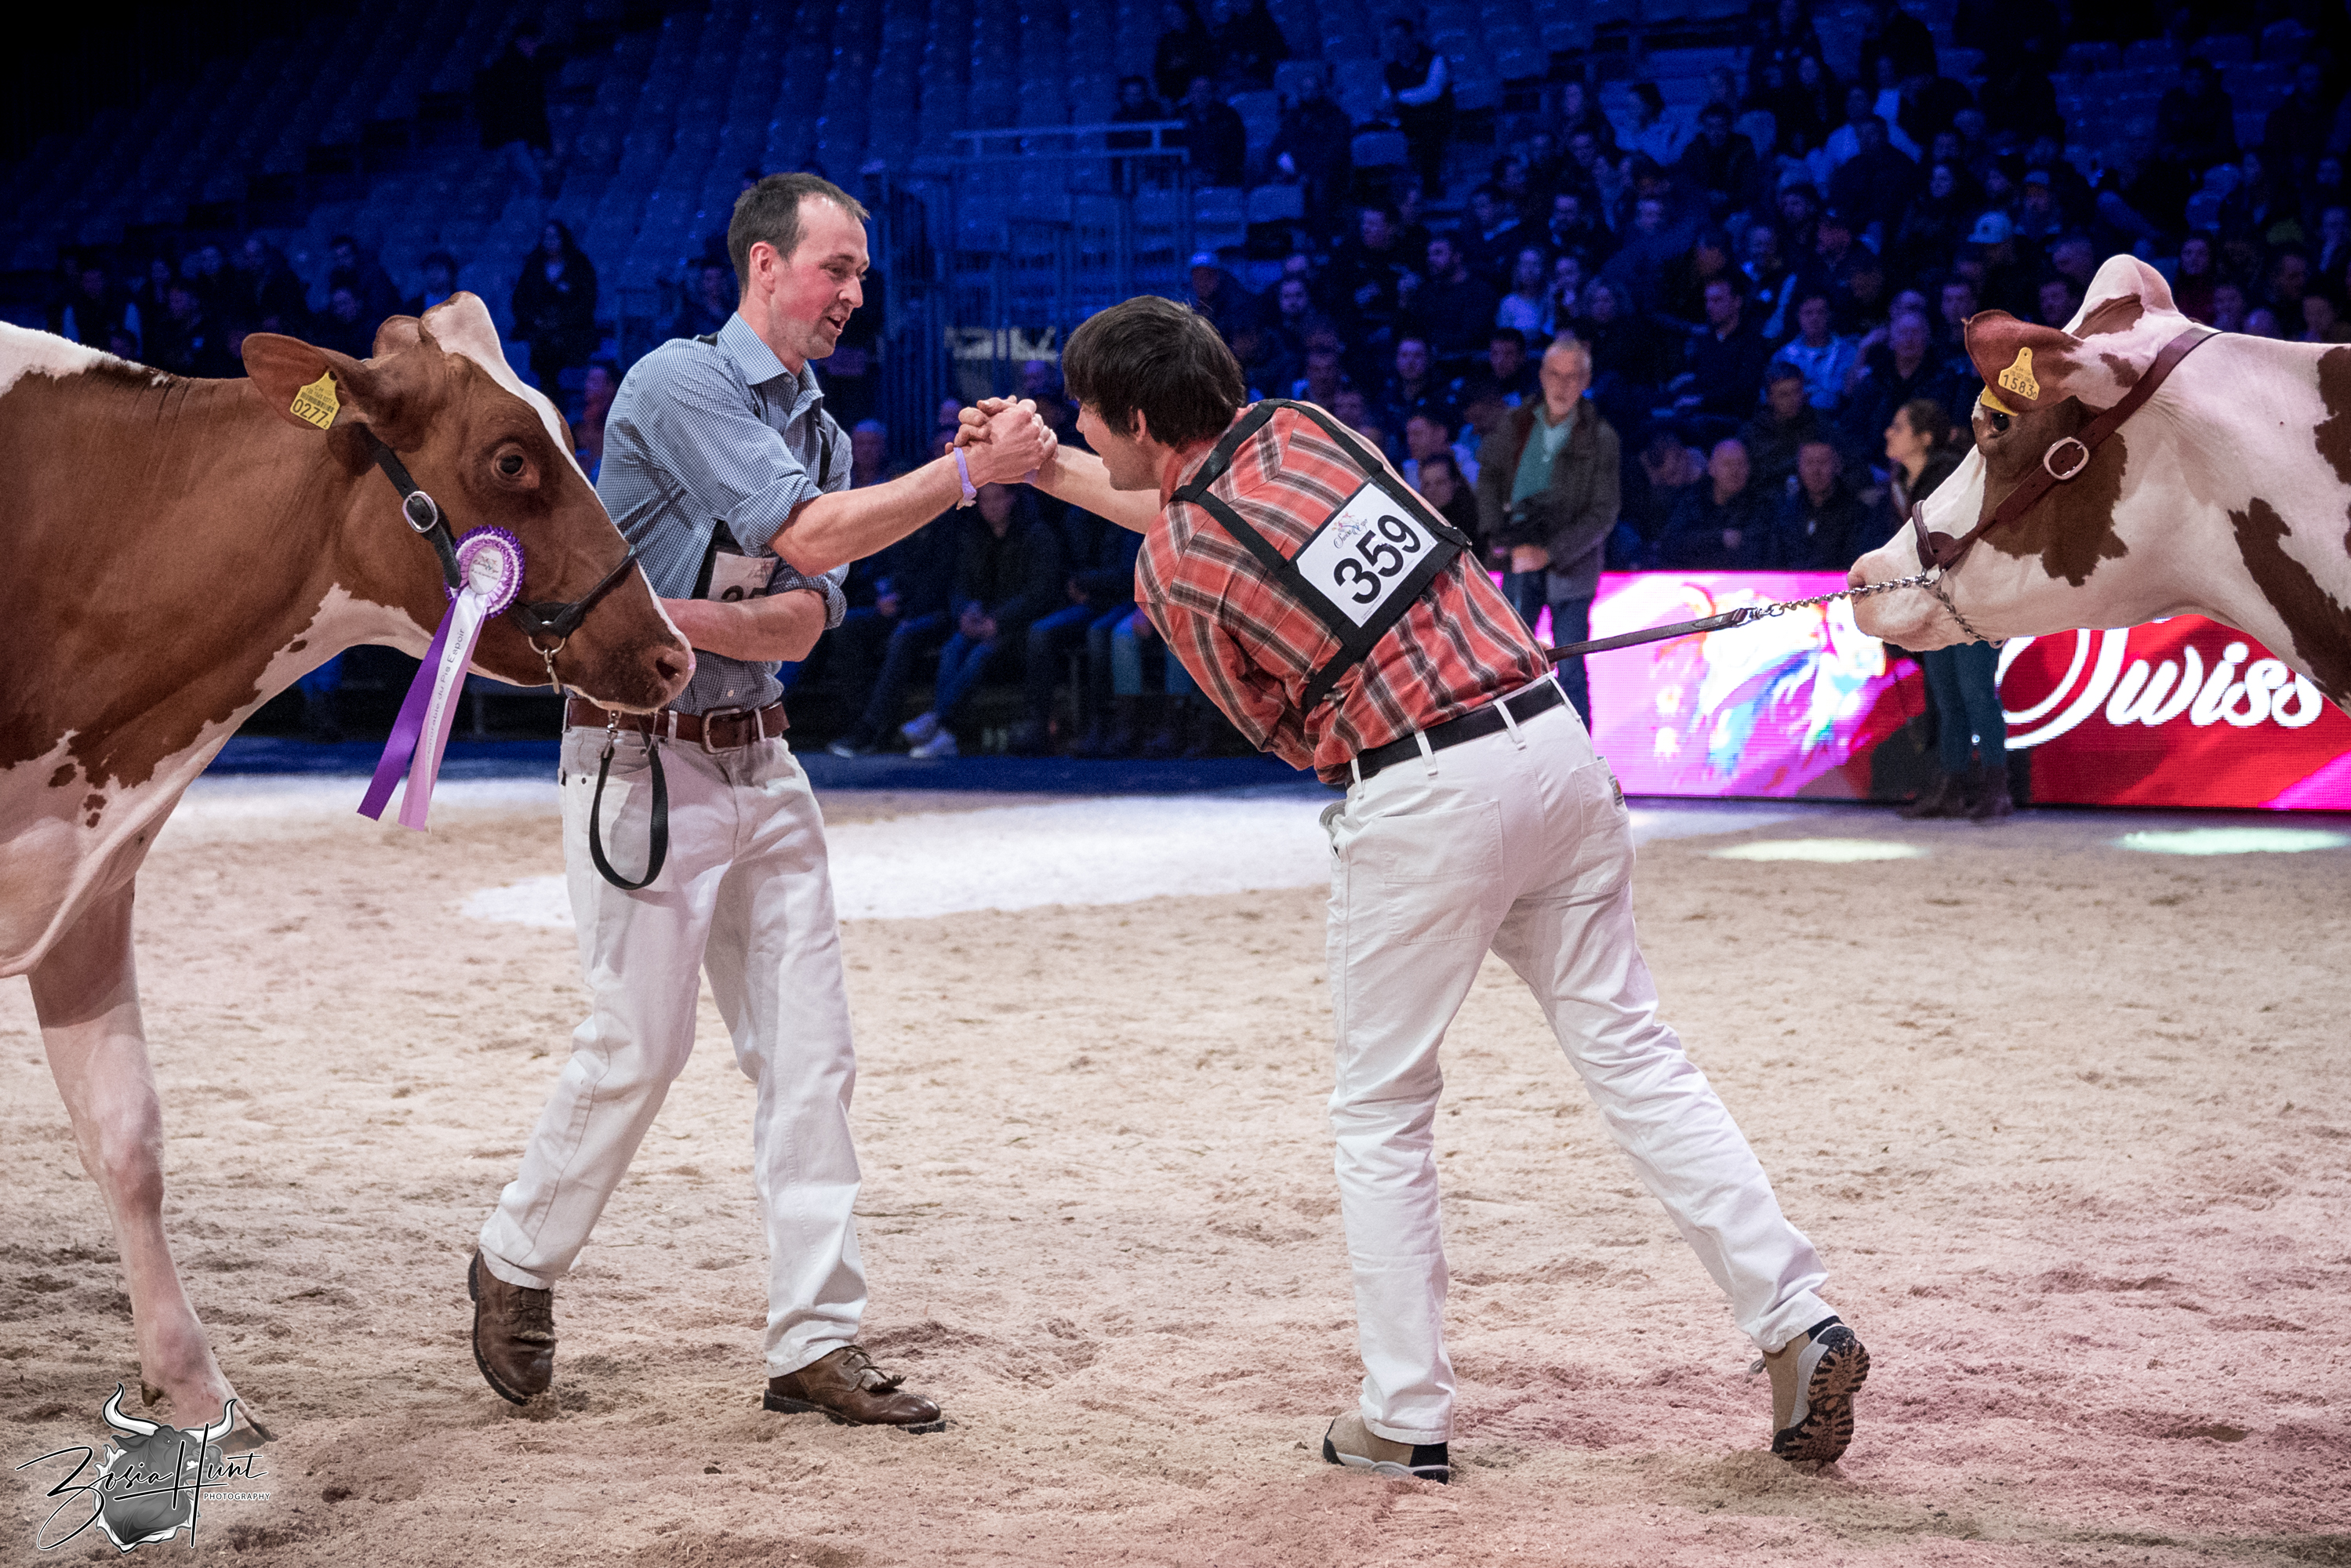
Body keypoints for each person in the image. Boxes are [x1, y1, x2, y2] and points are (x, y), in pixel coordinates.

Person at [965, 294, 1865, 1483]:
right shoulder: (1306, 428)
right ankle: (1795, 1316)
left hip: (1422, 791)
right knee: (1637, 1057)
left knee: (1381, 1109)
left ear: (1133, 419)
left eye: (1087, 414)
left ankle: (1404, 1411)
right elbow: (1194, 500)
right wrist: (1045, 468)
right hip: (1550, 745)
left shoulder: (1168, 567)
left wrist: (1045, 474)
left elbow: (1271, 722)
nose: (1080, 426)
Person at [470, 172, 1049, 1428]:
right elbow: (807, 543)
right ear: (764, 266)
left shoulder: (823, 433)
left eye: (860, 275)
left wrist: (673, 618)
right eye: (836, 269)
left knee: (811, 1059)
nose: (853, 295)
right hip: (639, 756)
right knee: (639, 1044)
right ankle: (514, 1257)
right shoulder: (681, 383)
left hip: (762, 758)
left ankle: (815, 1341)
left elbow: (802, 620)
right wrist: (962, 472)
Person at [1474, 338, 1618, 723]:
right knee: (1511, 665)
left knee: (1570, 666)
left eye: (1572, 377)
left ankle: (1580, 748)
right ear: (1542, 375)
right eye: (1555, 374)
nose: (1562, 385)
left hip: (1571, 566)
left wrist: (1551, 552)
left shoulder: (1600, 437)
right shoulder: (1516, 423)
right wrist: (1497, 535)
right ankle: (1512, 746)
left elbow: (1603, 512)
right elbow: (1488, 477)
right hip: (1519, 554)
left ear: (1585, 380)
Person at [1880, 398, 2005, 822]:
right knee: (1947, 698)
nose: (1888, 433)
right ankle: (1952, 785)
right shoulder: (1901, 484)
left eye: (1899, 427)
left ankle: (1996, 786)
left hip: (1972, 599)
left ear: (1925, 438)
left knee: (1975, 694)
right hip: (1933, 603)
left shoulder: (1950, 477)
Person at [896, 482, 1066, 757]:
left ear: (1012, 498)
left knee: (979, 655)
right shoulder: (975, 535)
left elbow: (1040, 594)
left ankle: (941, 723)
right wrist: (966, 612)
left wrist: (998, 621)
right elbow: (960, 585)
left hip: (1019, 629)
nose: (991, 507)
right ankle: (943, 730)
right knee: (953, 648)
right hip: (983, 623)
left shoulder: (1037, 535)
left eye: (998, 499)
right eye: (985, 501)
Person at [510, 220, 599, 394]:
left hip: (571, 329)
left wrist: (561, 321)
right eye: (547, 237)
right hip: (537, 329)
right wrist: (535, 320)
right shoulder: (533, 266)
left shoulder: (580, 265)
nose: (551, 242)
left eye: (555, 237)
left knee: (556, 350)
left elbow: (587, 302)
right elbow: (519, 301)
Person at [1657, 438, 1766, 568]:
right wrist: (1719, 539)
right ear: (1711, 468)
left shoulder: (1759, 505)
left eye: (1741, 464)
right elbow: (1670, 543)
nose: (1735, 471)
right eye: (1727, 464)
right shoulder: (1691, 499)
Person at [1766, 437, 1870, 569]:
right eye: (1809, 463)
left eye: (1823, 462)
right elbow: (1774, 563)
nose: (1816, 471)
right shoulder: (1784, 512)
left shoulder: (1857, 513)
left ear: (1837, 466)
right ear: (1799, 467)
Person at [1379, 17, 1453, 198]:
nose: (1396, 44)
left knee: (1429, 132)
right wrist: (1388, 108)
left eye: (1400, 38)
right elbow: (1387, 99)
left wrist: (1400, 97)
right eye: (1392, 41)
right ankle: (1394, 194)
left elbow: (1433, 91)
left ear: (1411, 36)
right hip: (1406, 120)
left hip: (1436, 117)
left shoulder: (1435, 60)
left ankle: (1430, 189)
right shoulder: (1391, 69)